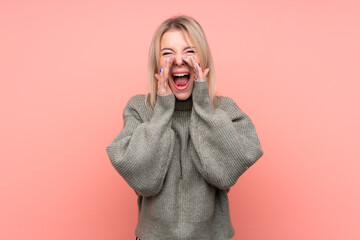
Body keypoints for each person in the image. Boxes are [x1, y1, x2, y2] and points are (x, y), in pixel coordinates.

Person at [106, 15, 264, 240]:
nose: (179, 60)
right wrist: (162, 109)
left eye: (189, 51)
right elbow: (143, 180)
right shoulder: (139, 109)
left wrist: (203, 104)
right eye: (168, 53)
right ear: (157, 65)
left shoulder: (225, 110)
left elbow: (225, 173)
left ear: (204, 60)